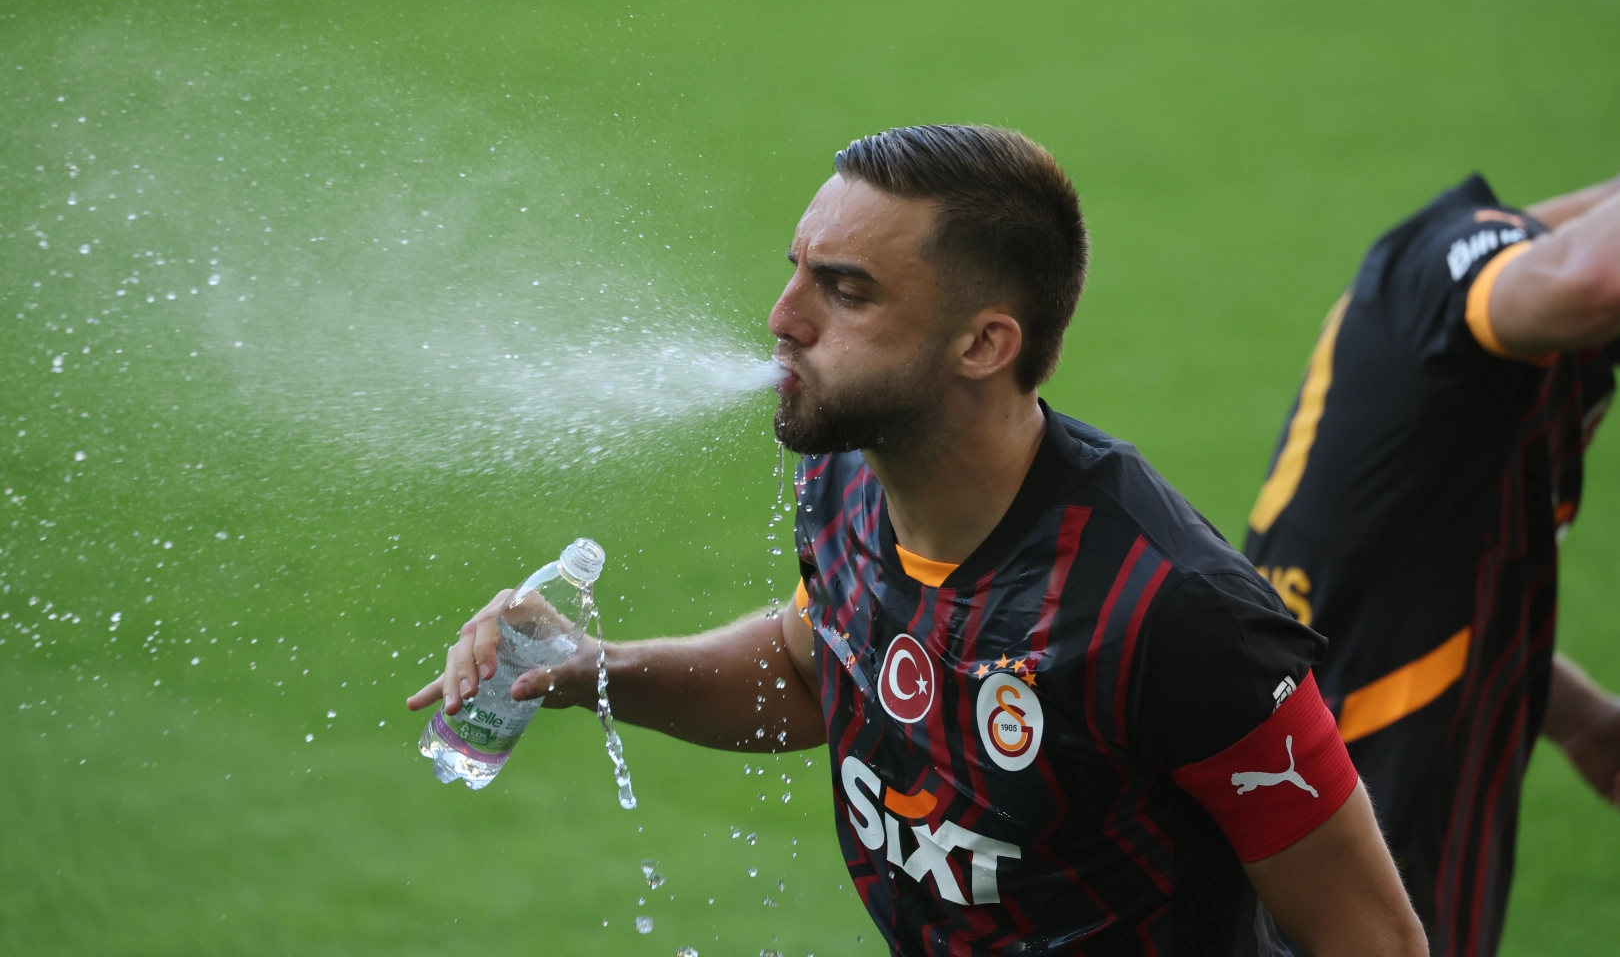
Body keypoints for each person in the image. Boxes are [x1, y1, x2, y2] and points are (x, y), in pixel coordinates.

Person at [409, 125, 1426, 956]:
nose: (783, 318)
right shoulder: (847, 479)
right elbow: (811, 671)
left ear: (984, 343)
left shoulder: (1171, 610)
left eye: (846, 291)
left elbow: (1372, 936)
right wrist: (594, 670)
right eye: (796, 272)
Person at [1244, 171, 1620, 957]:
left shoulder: (1451, 348)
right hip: (1351, 853)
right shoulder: (1445, 277)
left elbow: (1406, 597)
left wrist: (1578, 716)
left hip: (1377, 824)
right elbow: (1592, 277)